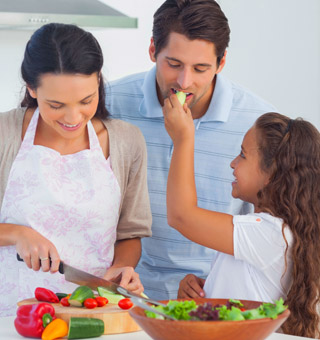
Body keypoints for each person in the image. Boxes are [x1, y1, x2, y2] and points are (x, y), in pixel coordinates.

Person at [0, 23, 152, 318]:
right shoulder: (0, 133)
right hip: (14, 318)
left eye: (86, 100)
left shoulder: (127, 141)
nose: (74, 117)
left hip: (96, 314)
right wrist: (16, 234)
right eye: (56, 105)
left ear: (98, 80)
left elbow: (129, 234)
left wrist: (121, 268)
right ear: (31, 88)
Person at [105, 0, 275, 300]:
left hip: (212, 299)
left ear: (221, 63)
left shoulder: (256, 123)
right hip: (119, 295)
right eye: (173, 64)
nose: (185, 82)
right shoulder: (108, 103)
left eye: (200, 68)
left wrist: (218, 285)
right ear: (152, 50)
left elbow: (265, 221)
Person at [163, 97, 320, 338]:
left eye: (243, 155)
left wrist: (183, 139)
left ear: (272, 174)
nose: (233, 163)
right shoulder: (272, 233)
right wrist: (207, 289)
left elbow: (181, 217)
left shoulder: (270, 233)